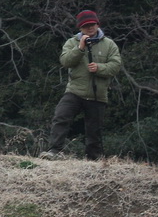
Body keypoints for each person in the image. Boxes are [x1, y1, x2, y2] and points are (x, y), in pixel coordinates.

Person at [40, 10, 122, 161]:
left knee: (94, 130)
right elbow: (65, 61)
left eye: (92, 24)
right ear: (80, 28)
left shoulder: (109, 45)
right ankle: (54, 150)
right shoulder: (72, 42)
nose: (90, 28)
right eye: (86, 26)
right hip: (75, 91)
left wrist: (99, 68)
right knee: (61, 116)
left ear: (98, 24)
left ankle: (94, 159)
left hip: (98, 94)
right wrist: (80, 48)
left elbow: (116, 66)